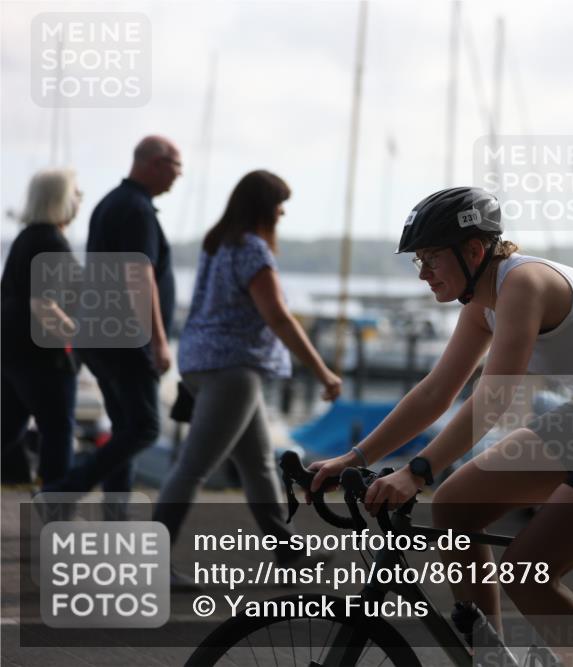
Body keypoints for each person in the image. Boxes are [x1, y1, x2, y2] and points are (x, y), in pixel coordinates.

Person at [309, 187, 573, 666]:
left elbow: (493, 398)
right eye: (418, 261)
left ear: (474, 250)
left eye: (431, 258)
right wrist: (356, 458)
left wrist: (416, 471)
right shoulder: (482, 303)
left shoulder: (524, 285)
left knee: (526, 569)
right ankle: (490, 658)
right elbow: (437, 392)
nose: (423, 273)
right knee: (456, 504)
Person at [152, 170, 342, 573]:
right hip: (233, 369)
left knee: (257, 465)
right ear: (262, 207)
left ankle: (288, 552)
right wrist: (323, 371)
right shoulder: (253, 249)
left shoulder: (217, 242)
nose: (282, 212)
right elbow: (279, 318)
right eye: (278, 204)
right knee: (192, 468)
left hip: (202, 361)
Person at [44, 136, 181, 496]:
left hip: (102, 336)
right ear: (155, 163)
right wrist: (160, 341)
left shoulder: (113, 202)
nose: (179, 175)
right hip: (126, 339)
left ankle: (115, 520)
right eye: (176, 166)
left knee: (126, 430)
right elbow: (139, 273)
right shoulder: (136, 209)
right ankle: (60, 494)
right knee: (145, 429)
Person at [1, 169, 82, 487]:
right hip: (44, 356)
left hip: (12, 351)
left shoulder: (26, 237)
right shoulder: (51, 241)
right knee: (58, 431)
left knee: (8, 428)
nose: (79, 200)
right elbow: (44, 305)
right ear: (61, 199)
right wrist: (81, 335)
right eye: (76, 193)